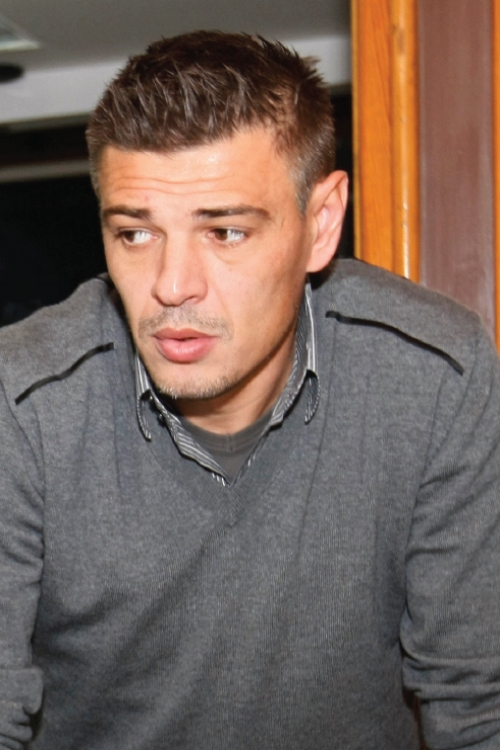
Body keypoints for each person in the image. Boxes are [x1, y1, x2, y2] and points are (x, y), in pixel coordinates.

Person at [1, 30, 500, 750]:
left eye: (226, 232)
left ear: (321, 223)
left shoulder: (435, 375)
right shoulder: (22, 401)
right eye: (136, 234)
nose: (172, 286)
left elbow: (481, 709)